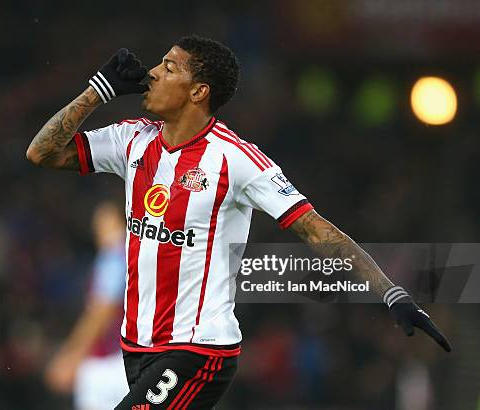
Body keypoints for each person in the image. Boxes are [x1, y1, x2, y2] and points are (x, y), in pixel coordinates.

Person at [26, 35, 451, 409]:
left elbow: (318, 230)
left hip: (198, 350)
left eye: (169, 67)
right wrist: (97, 93)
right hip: (136, 346)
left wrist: (393, 295)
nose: (152, 73)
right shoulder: (132, 138)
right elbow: (41, 153)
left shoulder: (236, 159)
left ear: (198, 92)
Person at [45, 201, 129, 409]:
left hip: (108, 363)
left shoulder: (114, 257)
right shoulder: (133, 255)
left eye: (106, 223)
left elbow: (102, 311)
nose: (100, 231)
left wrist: (72, 356)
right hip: (128, 360)